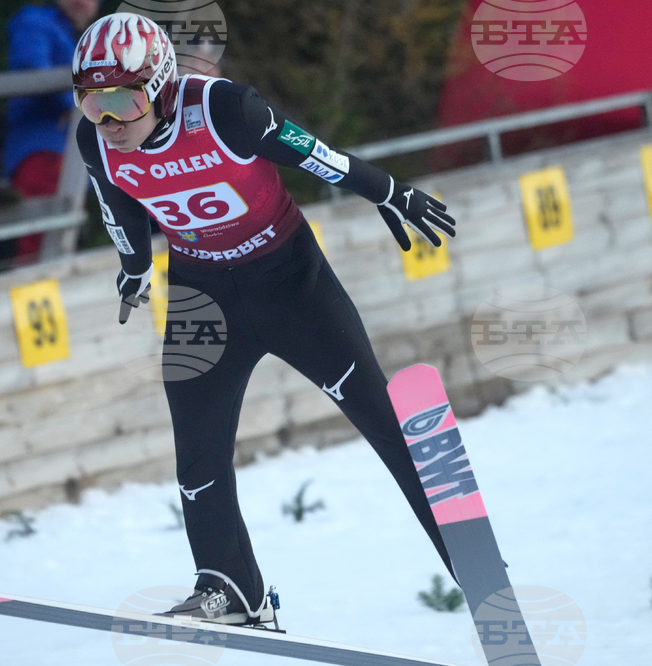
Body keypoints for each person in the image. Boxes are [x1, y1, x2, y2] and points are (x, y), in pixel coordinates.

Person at [72, 13, 457, 626]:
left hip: (287, 280)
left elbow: (316, 156)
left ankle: (463, 551)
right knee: (197, 450)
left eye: (122, 99)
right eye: (92, 103)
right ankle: (227, 585)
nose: (108, 120)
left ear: (164, 84)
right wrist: (135, 267)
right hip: (202, 296)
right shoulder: (96, 140)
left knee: (377, 414)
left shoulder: (228, 111)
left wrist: (386, 190)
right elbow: (118, 205)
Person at [4, 0, 99, 261]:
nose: (82, 2)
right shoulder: (35, 21)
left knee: (57, 243)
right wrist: (78, 108)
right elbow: (33, 69)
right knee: (38, 248)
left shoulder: (84, 40)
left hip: (70, 155)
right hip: (44, 151)